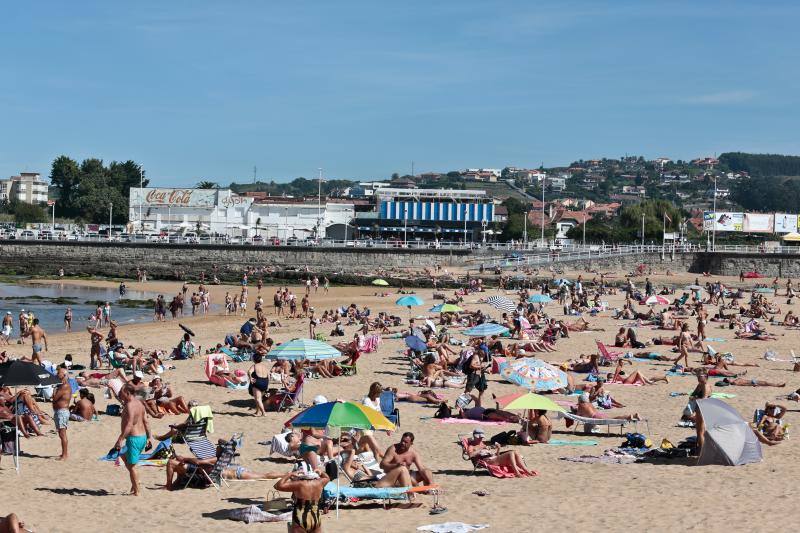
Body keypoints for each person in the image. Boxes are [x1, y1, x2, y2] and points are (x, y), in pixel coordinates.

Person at [113, 384, 152, 496]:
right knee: (125, 457)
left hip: (134, 438)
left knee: (132, 466)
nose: (120, 395)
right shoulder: (140, 403)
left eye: (122, 393)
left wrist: (120, 439)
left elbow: (129, 425)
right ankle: (135, 482)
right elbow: (146, 421)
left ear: (128, 393)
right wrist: (149, 438)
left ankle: (137, 491)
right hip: (142, 437)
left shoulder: (130, 406)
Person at [465, 427, 533, 477]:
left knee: (515, 452)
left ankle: (526, 470)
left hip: (494, 458)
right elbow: (470, 455)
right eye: (479, 437)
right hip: (488, 461)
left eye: (481, 437)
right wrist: (480, 449)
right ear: (475, 436)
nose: (481, 439)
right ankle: (517, 473)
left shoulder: (483, 444)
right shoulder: (471, 446)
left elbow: (496, 455)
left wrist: (498, 449)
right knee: (511, 453)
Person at [52, 367, 71, 460]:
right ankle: (64, 453)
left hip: (62, 412)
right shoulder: (62, 385)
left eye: (58, 373)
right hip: (60, 411)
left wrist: (54, 389)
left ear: (63, 375)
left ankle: (65, 455)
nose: (56, 374)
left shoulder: (64, 386)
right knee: (61, 433)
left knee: (63, 434)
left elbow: (54, 398)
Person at [247, 352, 270, 417]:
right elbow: (269, 376)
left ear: (254, 359)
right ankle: (257, 411)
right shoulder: (265, 366)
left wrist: (250, 378)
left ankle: (264, 413)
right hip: (265, 382)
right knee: (259, 398)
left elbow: (249, 371)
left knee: (258, 399)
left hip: (258, 382)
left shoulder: (254, 365)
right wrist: (268, 384)